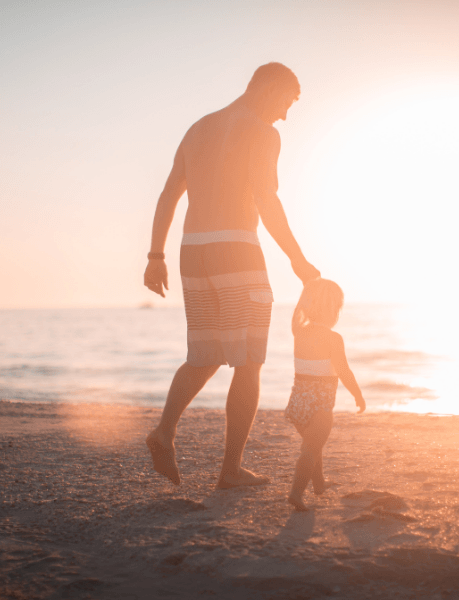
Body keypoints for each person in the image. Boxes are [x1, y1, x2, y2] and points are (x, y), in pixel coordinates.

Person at [143, 63, 320, 489]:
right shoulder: (262, 132)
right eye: (286, 102)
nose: (284, 115)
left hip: (193, 251)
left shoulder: (198, 128)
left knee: (204, 355)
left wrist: (155, 255)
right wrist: (297, 259)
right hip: (237, 250)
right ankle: (230, 471)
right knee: (249, 361)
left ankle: (163, 431)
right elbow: (266, 199)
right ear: (268, 88)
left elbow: (170, 192)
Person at [284, 278, 365, 511]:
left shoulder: (299, 332)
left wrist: (304, 294)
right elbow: (344, 371)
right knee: (310, 450)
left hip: (298, 403)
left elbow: (296, 315)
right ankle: (296, 493)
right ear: (334, 311)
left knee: (313, 445)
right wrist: (358, 395)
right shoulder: (333, 338)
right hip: (320, 404)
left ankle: (318, 484)